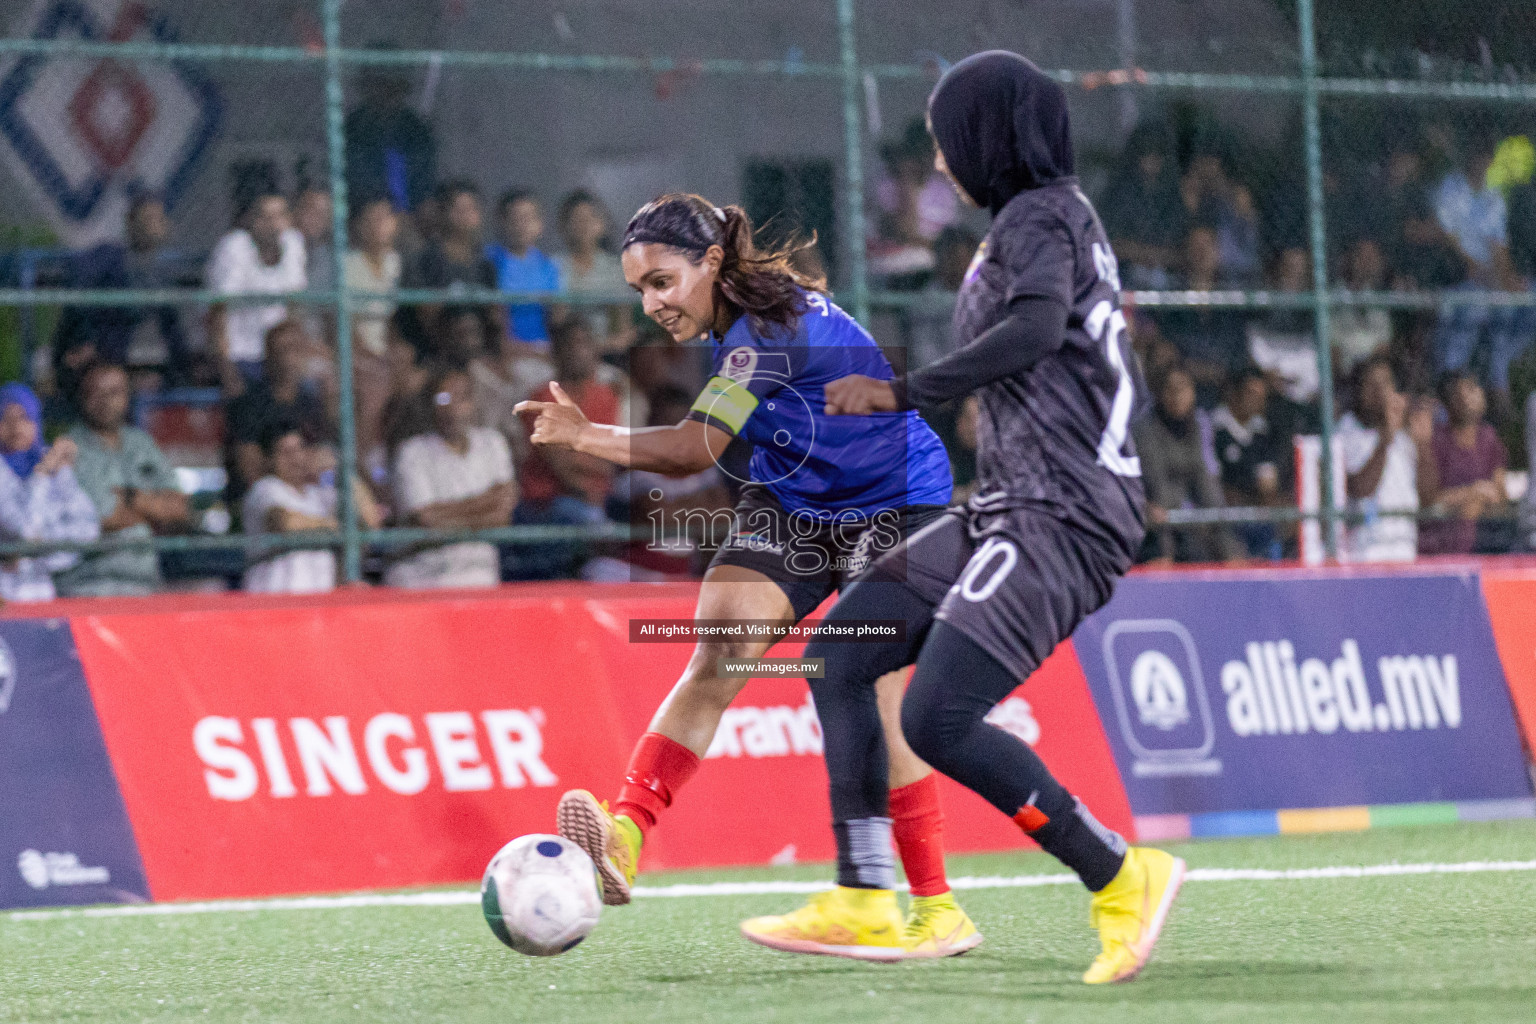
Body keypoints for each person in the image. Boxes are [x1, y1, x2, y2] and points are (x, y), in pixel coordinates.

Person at [743, 52, 1183, 982]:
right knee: (843, 652)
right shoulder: (1050, 217)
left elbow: (1033, 328)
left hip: (1061, 517)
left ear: (990, 136)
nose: (941, 159)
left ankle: (1118, 876)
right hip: (1014, 505)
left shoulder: (1040, 216)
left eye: (949, 138)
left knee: (940, 716)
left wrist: (906, 392)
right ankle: (865, 897)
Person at [518, 192, 979, 957]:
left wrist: (584, 434)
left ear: (711, 262)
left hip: (896, 499)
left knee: (873, 680)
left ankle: (935, 907)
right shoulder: (739, 317)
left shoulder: (764, 330)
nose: (652, 303)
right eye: (639, 290)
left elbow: (692, 450)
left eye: (662, 282)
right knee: (719, 645)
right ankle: (626, 831)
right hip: (797, 497)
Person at [55, 362, 190, 597]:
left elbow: (179, 508)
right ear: (81, 397)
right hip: (88, 586)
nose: (105, 401)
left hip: (144, 584)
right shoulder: (67, 448)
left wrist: (130, 498)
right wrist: (152, 512)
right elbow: (102, 518)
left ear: (127, 397)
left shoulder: (142, 443)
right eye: (95, 393)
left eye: (114, 392)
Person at [386, 364, 517, 589]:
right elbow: (425, 519)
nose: (453, 407)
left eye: (461, 398)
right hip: (423, 578)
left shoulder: (493, 443)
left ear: (472, 402)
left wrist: (443, 515)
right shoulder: (412, 452)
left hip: (481, 574)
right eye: (444, 398)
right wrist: (485, 502)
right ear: (432, 404)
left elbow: (503, 514)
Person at [510, 319, 620, 580]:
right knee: (596, 526)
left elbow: (611, 458)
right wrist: (591, 471)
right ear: (556, 353)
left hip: (596, 500)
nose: (577, 351)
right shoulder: (541, 399)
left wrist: (584, 457)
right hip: (547, 504)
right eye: (570, 345)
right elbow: (560, 467)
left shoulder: (606, 396)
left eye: (583, 343)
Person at [54, 194, 190, 382]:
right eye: (148, 218)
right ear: (130, 222)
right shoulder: (108, 258)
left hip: (118, 359)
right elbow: (77, 299)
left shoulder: (159, 274)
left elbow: (172, 327)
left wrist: (184, 368)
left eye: (159, 219)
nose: (154, 226)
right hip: (84, 354)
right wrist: (84, 342)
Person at [241, 418, 382, 594]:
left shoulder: (319, 494)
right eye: (285, 452)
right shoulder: (264, 488)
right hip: (273, 603)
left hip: (316, 607)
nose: (295, 459)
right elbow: (287, 523)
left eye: (300, 449)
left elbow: (370, 520)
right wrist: (337, 527)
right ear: (269, 459)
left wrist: (341, 468)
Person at [1134, 364, 1244, 564]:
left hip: (1185, 518)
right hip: (1149, 518)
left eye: (1183, 389)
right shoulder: (1145, 428)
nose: (1177, 397)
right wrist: (1165, 554)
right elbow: (1158, 487)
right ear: (1159, 394)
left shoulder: (1198, 425)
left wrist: (1230, 551)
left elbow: (1206, 483)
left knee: (1223, 548)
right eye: (1170, 390)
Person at [0, 384, 100, 601]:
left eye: (25, 418)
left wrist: (42, 553)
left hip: (44, 589)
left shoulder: (51, 461)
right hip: (5, 594)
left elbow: (88, 528)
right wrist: (43, 475)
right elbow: (25, 529)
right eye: (6, 418)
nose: (16, 426)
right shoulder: (48, 465)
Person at [1337, 355, 1436, 563]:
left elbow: (1427, 498)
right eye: (1371, 384)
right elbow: (1361, 490)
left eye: (1386, 383)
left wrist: (1423, 446)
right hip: (1364, 553)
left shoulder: (1404, 433)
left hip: (1404, 548)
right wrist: (1385, 439)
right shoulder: (1347, 430)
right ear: (1358, 391)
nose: (1380, 392)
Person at [206, 190, 307, 388]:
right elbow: (217, 314)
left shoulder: (293, 242)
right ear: (250, 219)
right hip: (241, 355)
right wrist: (227, 370)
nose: (274, 225)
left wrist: (297, 354)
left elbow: (295, 307)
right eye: (266, 217)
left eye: (280, 216)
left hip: (281, 356)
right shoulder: (234, 247)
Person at [397, 180, 502, 356]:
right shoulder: (424, 260)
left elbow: (495, 317)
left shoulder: (486, 264)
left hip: (480, 352)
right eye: (458, 209)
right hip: (433, 353)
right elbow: (424, 317)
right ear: (442, 213)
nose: (465, 216)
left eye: (471, 209)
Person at [1419, 370, 1508, 556]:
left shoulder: (1489, 438)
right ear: (1448, 402)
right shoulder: (1436, 441)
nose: (1468, 398)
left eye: (1473, 388)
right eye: (1460, 392)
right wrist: (1472, 493)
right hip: (1440, 545)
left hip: (1484, 543)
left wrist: (1482, 498)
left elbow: (1499, 496)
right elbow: (1429, 499)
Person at [344, 56, 437, 214]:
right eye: (378, 86)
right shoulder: (353, 127)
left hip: (412, 213)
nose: (385, 94)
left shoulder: (416, 129)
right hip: (364, 212)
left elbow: (424, 180)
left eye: (392, 87)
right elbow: (352, 178)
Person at [1211, 366, 1281, 559]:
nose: (1257, 401)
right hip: (1222, 519)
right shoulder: (1213, 429)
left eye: (1262, 396)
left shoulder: (1262, 433)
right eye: (1251, 394)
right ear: (1233, 394)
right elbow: (1215, 485)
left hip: (1256, 518)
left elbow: (1268, 488)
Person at [554, 190, 636, 354]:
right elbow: (557, 321)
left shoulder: (615, 268)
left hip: (607, 352)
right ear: (564, 226)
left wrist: (598, 348)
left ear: (602, 224)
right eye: (576, 219)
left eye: (590, 219)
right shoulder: (554, 267)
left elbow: (623, 329)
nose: (583, 225)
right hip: (567, 353)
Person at [487, 190, 562, 347]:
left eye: (527, 219)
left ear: (540, 224)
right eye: (515, 218)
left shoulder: (549, 266)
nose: (521, 225)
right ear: (502, 222)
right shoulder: (489, 260)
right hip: (502, 348)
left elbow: (556, 315)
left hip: (543, 348)